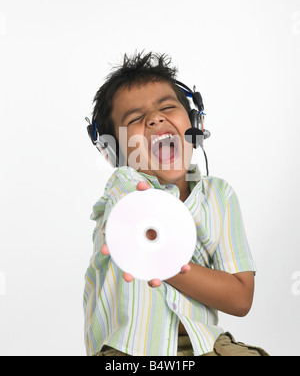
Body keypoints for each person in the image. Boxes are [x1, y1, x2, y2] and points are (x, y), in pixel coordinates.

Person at [83, 52, 269, 356]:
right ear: (113, 152)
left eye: (167, 107)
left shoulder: (219, 196)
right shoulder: (123, 188)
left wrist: (163, 262)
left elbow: (240, 298)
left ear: (196, 123)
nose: (155, 118)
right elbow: (138, 229)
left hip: (208, 345)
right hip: (129, 348)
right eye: (134, 119)